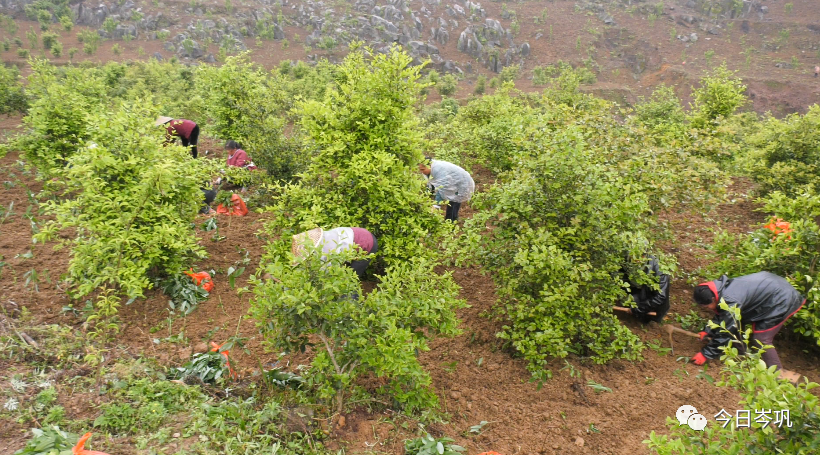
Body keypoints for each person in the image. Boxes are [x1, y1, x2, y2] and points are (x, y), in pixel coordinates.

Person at [691, 272, 805, 370]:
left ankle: (778, 375)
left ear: (712, 298)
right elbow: (723, 314)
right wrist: (708, 330)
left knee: (761, 339)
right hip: (773, 291)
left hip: (782, 299)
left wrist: (705, 354)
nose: (708, 309)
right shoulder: (720, 289)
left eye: (707, 306)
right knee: (735, 323)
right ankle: (742, 357)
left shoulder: (731, 299)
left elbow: (726, 331)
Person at [292, 227, 378, 279]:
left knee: (350, 278)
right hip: (358, 234)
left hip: (367, 244)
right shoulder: (322, 240)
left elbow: (328, 271)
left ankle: (351, 303)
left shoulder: (328, 248)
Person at [621, 256, 670, 323]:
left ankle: (646, 319)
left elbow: (660, 297)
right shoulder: (629, 265)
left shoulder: (659, 271)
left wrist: (638, 310)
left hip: (654, 307)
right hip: (642, 294)